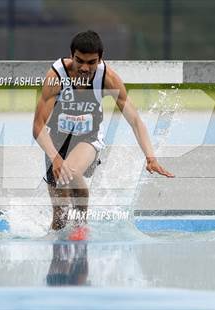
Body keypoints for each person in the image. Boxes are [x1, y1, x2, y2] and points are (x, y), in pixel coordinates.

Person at [32, 30, 174, 232]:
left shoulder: (108, 78)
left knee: (69, 173)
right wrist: (54, 156)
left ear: (100, 59)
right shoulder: (56, 76)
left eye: (91, 62)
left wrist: (150, 157)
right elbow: (38, 126)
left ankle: (81, 226)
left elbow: (134, 120)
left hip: (87, 140)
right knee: (59, 219)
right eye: (79, 60)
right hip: (55, 142)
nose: (84, 67)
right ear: (71, 55)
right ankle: (60, 254)